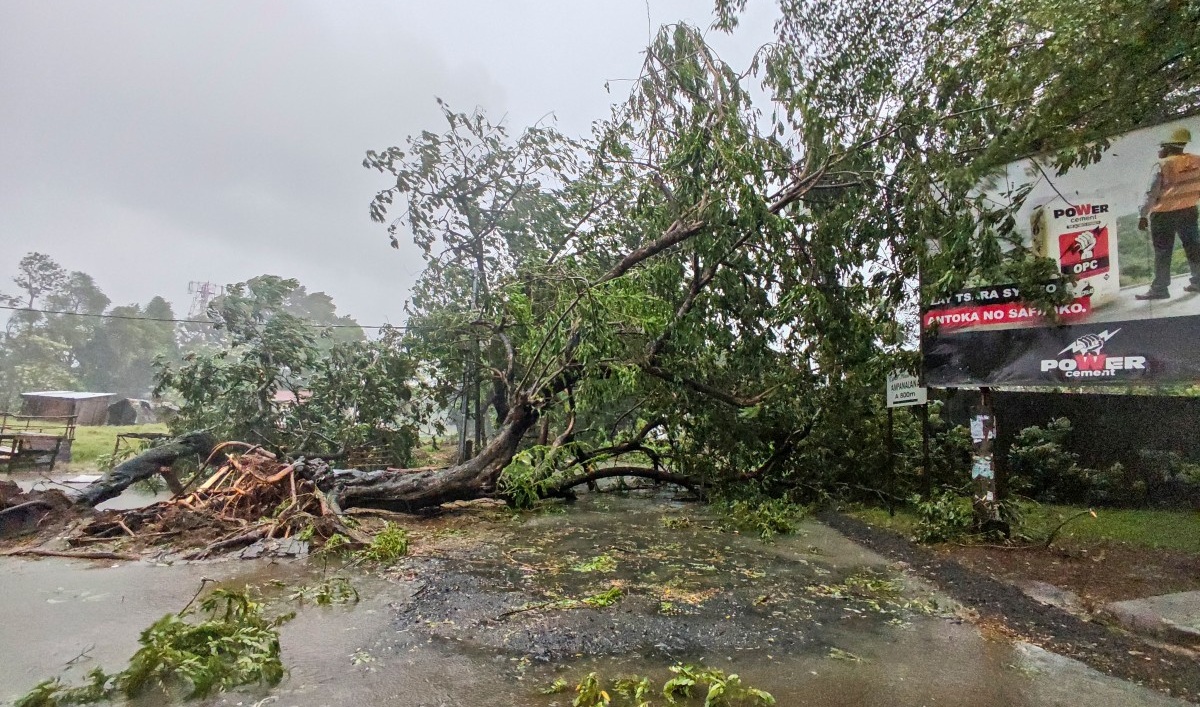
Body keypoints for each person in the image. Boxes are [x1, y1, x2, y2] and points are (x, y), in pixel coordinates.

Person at [1135, 127, 1200, 300]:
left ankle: (1160, 289)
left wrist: (1142, 215)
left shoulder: (1163, 165)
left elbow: (1151, 193)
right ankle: (1198, 281)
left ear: (1169, 147)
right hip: (1189, 210)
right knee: (1193, 246)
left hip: (1164, 214)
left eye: (1162, 146)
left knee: (1163, 252)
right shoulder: (1197, 161)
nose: (1160, 150)